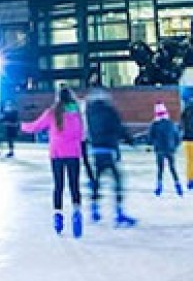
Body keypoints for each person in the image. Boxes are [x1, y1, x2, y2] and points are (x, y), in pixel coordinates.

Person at [23, 88, 86, 237]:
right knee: (74, 185)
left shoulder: (52, 112)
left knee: (58, 186)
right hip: (73, 153)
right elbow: (82, 134)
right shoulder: (77, 114)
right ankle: (77, 213)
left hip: (57, 153)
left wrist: (22, 126)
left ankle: (58, 216)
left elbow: (36, 126)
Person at [82, 90, 135, 227]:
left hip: (95, 150)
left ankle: (94, 209)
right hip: (109, 149)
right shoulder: (109, 111)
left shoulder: (89, 113)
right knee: (117, 180)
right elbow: (118, 127)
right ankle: (119, 212)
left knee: (97, 180)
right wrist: (129, 140)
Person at [148, 102, 182, 196]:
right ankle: (178, 185)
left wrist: (151, 145)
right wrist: (175, 146)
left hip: (159, 149)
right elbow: (177, 136)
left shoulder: (154, 124)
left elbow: (150, 138)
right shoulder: (171, 123)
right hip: (170, 149)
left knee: (160, 169)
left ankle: (159, 187)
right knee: (172, 168)